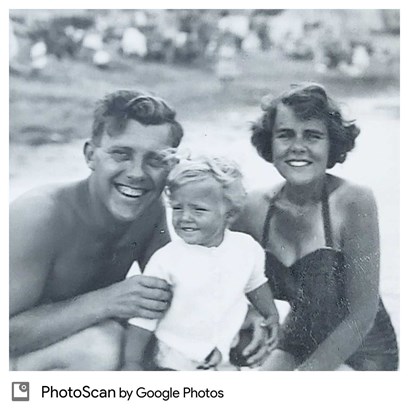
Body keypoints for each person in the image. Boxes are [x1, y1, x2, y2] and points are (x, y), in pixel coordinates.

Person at [9, 90, 184, 370]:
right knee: (102, 346)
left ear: (171, 167)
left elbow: (174, 286)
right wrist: (106, 301)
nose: (137, 173)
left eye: (155, 160)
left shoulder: (149, 209)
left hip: (54, 348)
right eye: (121, 154)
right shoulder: (40, 214)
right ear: (91, 155)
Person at [233, 83, 399, 371]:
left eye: (313, 136)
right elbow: (225, 277)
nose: (298, 146)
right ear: (269, 144)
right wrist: (250, 313)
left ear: (331, 144)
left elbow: (362, 315)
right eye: (285, 135)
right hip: (296, 339)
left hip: (363, 349)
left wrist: (303, 379)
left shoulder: (354, 201)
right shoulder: (252, 208)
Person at [122, 156, 280, 370]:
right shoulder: (166, 259)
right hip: (174, 356)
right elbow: (144, 317)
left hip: (224, 350)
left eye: (198, 210)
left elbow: (256, 284)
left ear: (229, 214)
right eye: (177, 208)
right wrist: (131, 363)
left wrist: (271, 314)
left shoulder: (246, 248)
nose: (185, 217)